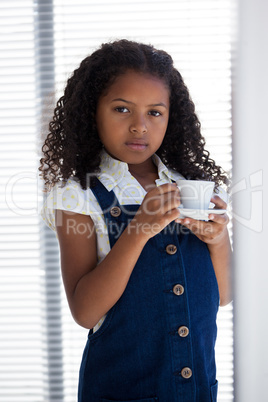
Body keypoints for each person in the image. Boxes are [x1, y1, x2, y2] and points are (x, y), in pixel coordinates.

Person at [40, 39, 232, 402]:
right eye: (122, 109)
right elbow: (84, 310)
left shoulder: (188, 189)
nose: (139, 126)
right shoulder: (77, 196)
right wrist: (138, 231)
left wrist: (219, 240)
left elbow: (224, 295)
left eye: (155, 112)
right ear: (92, 112)